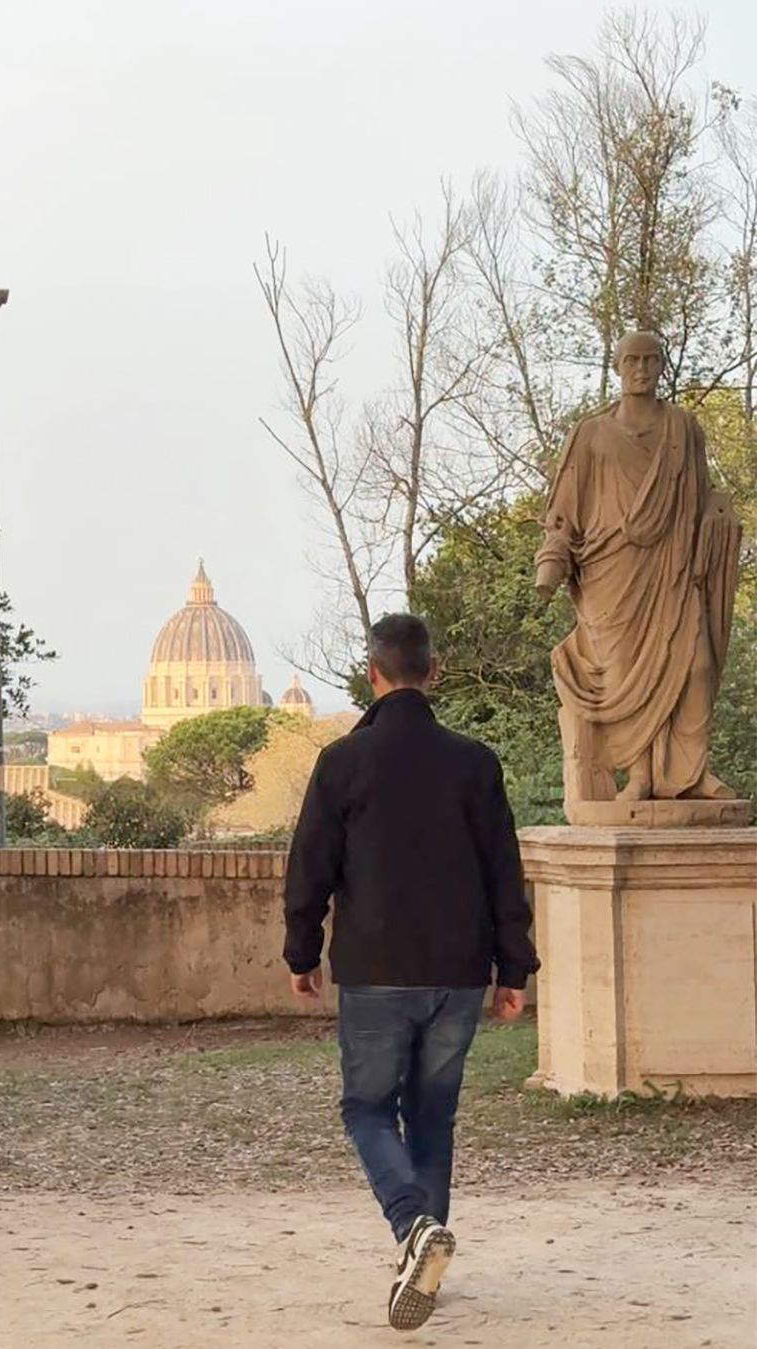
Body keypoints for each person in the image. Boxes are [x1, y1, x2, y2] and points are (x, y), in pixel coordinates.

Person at [283, 614, 539, 1332]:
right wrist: (513, 967)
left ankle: (411, 1226)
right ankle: (423, 1247)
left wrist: (301, 953)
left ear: (373, 674)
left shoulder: (342, 762)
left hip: (375, 967)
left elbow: (310, 867)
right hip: (458, 970)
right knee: (433, 1114)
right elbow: (502, 874)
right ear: (434, 671)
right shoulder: (475, 762)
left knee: (366, 1107)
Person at [535, 330, 741, 813]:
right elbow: (564, 509)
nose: (642, 369)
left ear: (662, 367)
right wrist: (551, 560)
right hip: (613, 568)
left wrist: (719, 518)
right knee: (627, 675)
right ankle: (641, 777)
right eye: (632, 360)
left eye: (651, 360)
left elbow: (701, 493)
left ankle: (692, 773)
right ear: (617, 366)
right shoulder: (592, 433)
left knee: (697, 665)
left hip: (675, 566)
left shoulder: (684, 429)